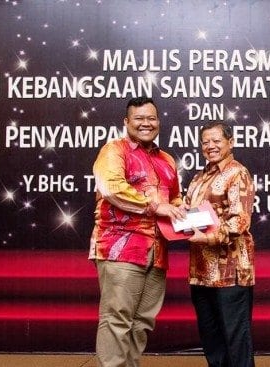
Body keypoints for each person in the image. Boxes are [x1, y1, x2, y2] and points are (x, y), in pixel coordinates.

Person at [89, 96, 185, 367]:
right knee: (117, 319)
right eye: (139, 119)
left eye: (151, 118)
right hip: (120, 248)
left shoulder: (166, 159)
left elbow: (174, 200)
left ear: (159, 121)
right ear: (126, 122)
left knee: (142, 321)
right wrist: (158, 206)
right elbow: (112, 188)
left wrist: (184, 212)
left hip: (156, 252)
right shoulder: (114, 150)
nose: (146, 124)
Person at [184, 121, 256, 367]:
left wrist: (208, 236)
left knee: (236, 343)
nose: (210, 146)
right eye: (205, 142)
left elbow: (239, 221)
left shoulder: (238, 173)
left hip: (230, 272)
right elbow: (189, 210)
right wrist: (179, 215)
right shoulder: (199, 177)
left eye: (216, 140)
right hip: (201, 272)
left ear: (230, 142)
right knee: (212, 342)